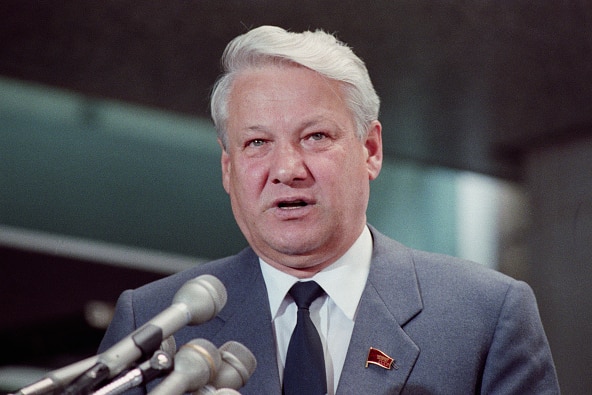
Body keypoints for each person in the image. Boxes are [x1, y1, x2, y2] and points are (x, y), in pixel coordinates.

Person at [99, 25, 559, 394]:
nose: (286, 169)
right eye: (257, 143)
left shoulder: (483, 314)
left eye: (316, 136)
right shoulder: (156, 319)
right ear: (227, 168)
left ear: (371, 149)